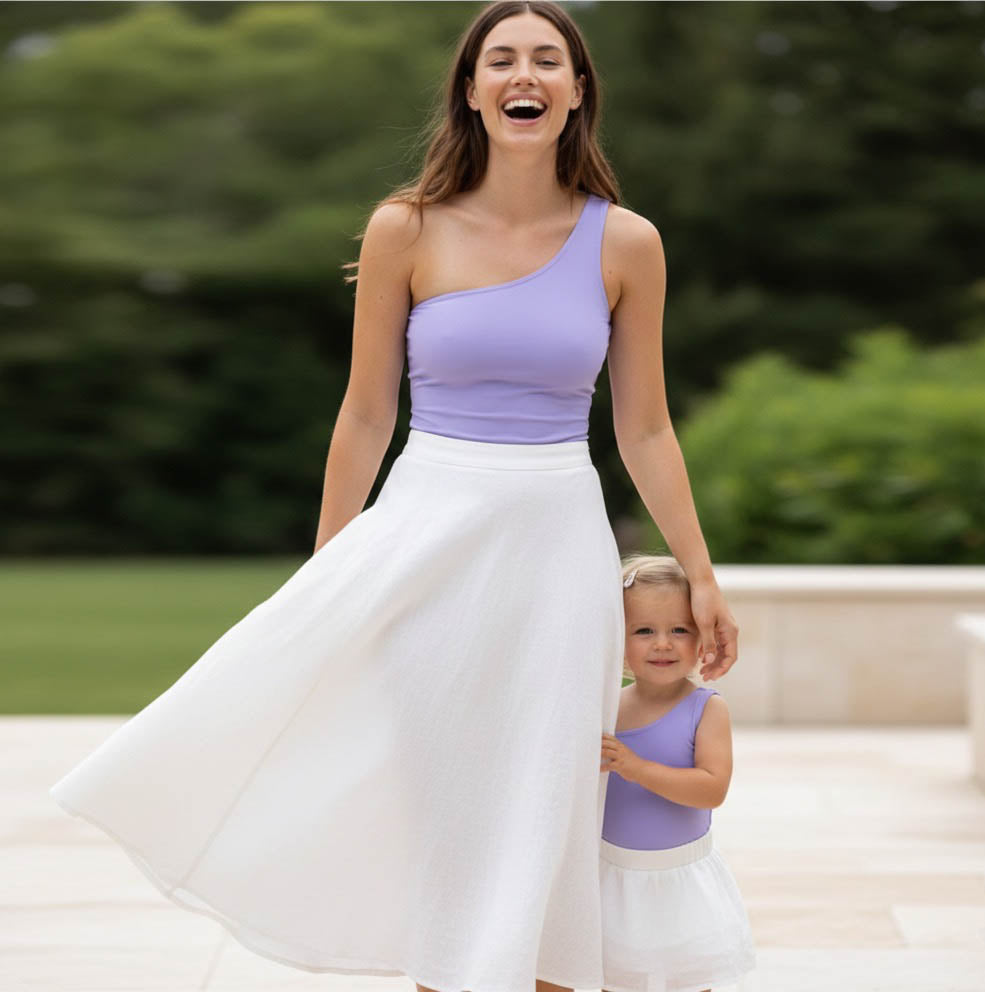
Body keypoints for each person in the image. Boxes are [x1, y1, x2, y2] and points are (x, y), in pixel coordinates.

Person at [48, 4, 739, 991]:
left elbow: (646, 429)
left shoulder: (626, 243)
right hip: (425, 532)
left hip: (555, 546)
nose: (523, 74)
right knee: (443, 804)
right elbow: (367, 413)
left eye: (547, 59)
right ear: (471, 90)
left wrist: (700, 574)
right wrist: (329, 573)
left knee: (547, 804)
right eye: (501, 59)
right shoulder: (403, 228)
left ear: (577, 90)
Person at [599, 554, 756, 992]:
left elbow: (712, 788)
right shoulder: (607, 707)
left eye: (680, 630)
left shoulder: (705, 709)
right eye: (644, 631)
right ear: (618, 637)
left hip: (680, 882)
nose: (663, 644)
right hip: (614, 879)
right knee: (613, 979)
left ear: (703, 637)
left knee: (690, 980)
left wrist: (637, 768)